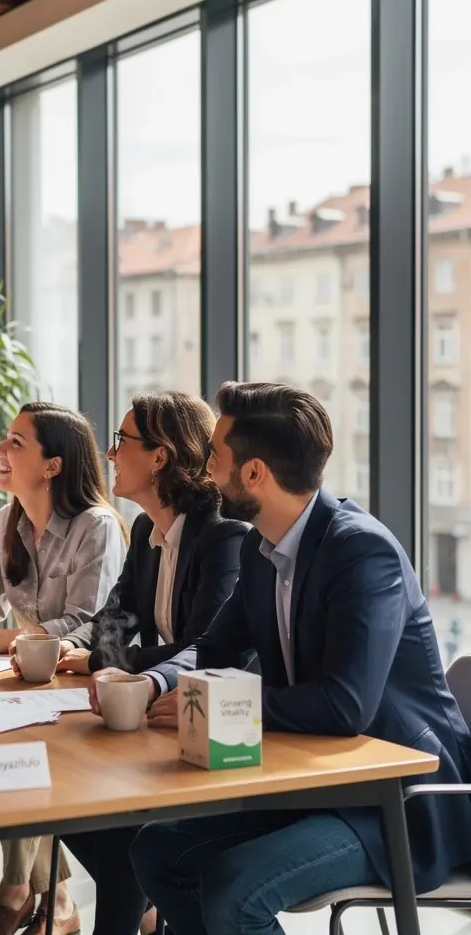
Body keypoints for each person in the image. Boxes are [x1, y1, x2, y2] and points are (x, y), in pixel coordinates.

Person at [91, 381, 471, 935]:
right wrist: (149, 684)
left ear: (254, 474)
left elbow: (346, 707)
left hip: (394, 805)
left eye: (216, 457)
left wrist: (219, 707)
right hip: (317, 781)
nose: (205, 470)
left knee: (233, 889)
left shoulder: (363, 552)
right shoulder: (261, 547)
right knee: (158, 851)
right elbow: (213, 647)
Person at [36, 392, 247, 935]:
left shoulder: (223, 534)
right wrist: (93, 656)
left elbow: (205, 643)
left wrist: (115, 663)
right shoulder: (148, 534)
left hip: (220, 726)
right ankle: (148, 914)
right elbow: (117, 616)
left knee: (117, 829)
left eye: (121, 441)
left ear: (160, 457)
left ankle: (140, 919)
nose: (110, 455)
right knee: (73, 810)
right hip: (167, 713)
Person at [0, 402, 128, 935]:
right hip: (31, 682)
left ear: (53, 466)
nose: (0, 451)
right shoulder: (6, 520)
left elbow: (90, 625)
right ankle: (53, 899)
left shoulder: (96, 527)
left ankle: (20, 893)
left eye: (16, 443)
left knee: (18, 750)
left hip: (93, 684)